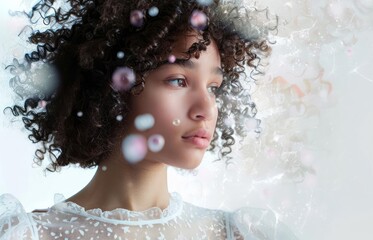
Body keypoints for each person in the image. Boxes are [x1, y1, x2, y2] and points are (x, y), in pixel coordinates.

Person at [0, 0, 297, 239]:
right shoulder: (28, 235)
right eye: (179, 81)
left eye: (213, 88)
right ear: (114, 87)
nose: (206, 108)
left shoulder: (242, 234)